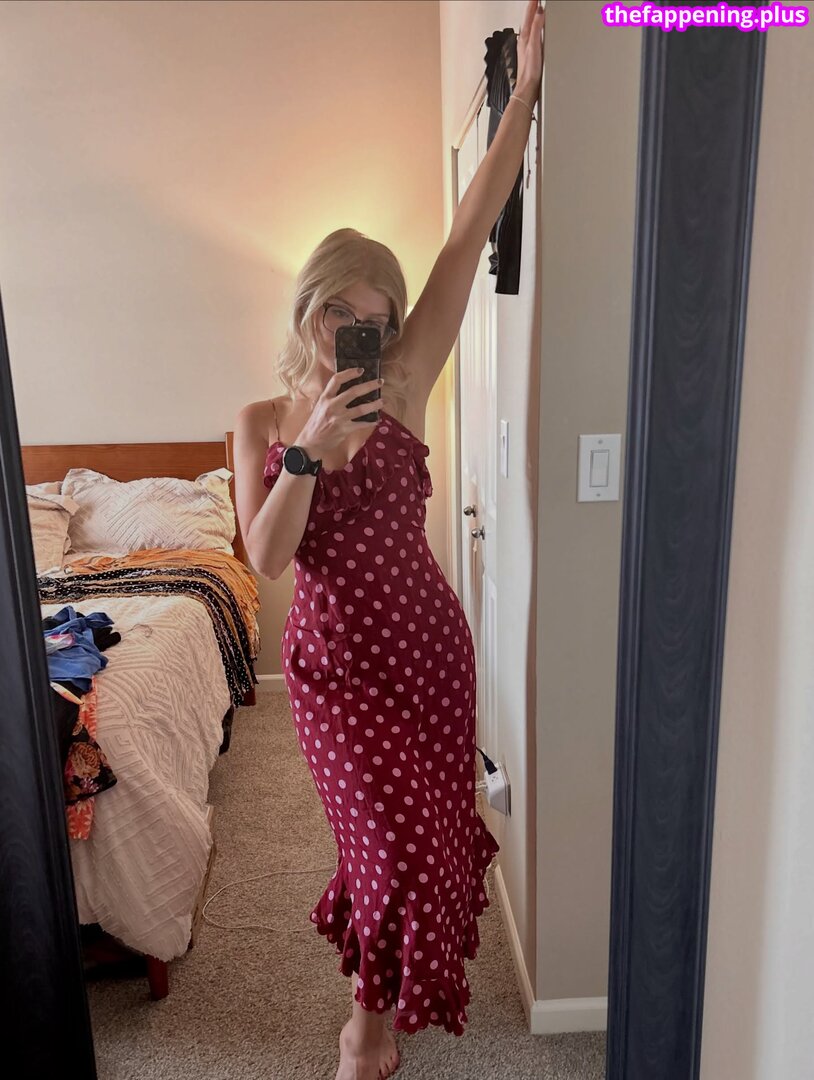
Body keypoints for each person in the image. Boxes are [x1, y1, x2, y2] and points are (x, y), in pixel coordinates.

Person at [234, 4, 545, 1076]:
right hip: (333, 669)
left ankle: (370, 1017)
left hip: (427, 649)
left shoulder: (405, 383)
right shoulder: (261, 422)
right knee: (390, 850)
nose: (357, 336)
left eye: (376, 318)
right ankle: (367, 1030)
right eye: (341, 316)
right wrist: (310, 450)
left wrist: (523, 99)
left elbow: (468, 229)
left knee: (425, 838)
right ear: (309, 310)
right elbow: (266, 559)